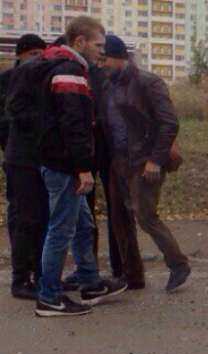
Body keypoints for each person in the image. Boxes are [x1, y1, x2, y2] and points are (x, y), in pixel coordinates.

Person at [33, 17, 127, 317]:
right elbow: (74, 125)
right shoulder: (70, 73)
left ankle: (89, 282)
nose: (102, 51)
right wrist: (83, 168)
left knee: (83, 225)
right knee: (61, 230)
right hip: (64, 166)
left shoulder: (62, 67)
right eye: (98, 45)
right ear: (79, 42)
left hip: (59, 162)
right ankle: (49, 297)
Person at [101, 35, 190, 292]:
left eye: (105, 59)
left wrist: (155, 160)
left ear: (119, 57)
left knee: (146, 217)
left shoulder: (148, 82)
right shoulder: (108, 85)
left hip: (143, 161)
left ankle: (178, 264)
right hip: (119, 161)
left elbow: (169, 123)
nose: (102, 64)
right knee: (119, 219)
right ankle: (132, 277)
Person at [0, 34, 48, 300]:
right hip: (19, 158)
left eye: (41, 55)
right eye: (33, 55)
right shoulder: (7, 80)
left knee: (39, 217)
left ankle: (39, 272)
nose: (38, 60)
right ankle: (20, 278)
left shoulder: (42, 78)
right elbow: (7, 118)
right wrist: (9, 145)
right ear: (20, 55)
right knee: (23, 217)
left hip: (37, 158)